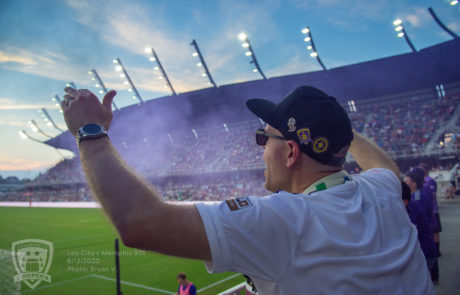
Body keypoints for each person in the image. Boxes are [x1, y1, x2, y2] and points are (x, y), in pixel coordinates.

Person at [61, 85, 434, 294]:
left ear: (290, 152)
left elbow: (140, 222)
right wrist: (336, 131)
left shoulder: (285, 220)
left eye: (263, 137)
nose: (260, 147)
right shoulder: (382, 191)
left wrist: (89, 132)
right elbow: (385, 167)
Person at [404, 168, 437, 279]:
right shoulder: (419, 194)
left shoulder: (416, 198)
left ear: (413, 183)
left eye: (406, 179)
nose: (404, 181)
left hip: (423, 248)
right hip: (426, 245)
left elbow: (417, 222)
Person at [419, 163, 441, 284]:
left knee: (435, 232)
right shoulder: (426, 184)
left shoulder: (428, 183)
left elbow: (431, 198)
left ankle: (437, 250)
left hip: (433, 211)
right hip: (431, 212)